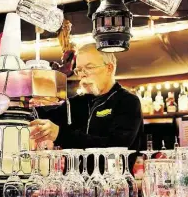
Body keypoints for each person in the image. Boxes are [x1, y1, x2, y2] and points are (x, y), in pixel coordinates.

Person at [29, 43, 144, 172]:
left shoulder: (127, 101)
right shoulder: (77, 103)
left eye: (89, 68)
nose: (82, 75)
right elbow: (39, 115)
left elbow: (115, 147)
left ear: (109, 68)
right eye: (79, 70)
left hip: (113, 186)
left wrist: (61, 135)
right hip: (76, 186)